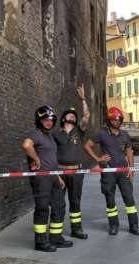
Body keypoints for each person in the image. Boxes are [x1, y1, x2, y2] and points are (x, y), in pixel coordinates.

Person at [84, 107, 139, 236]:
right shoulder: (102, 134)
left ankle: (134, 225)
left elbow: (129, 151)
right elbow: (87, 146)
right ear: (109, 120)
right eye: (114, 120)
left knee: (129, 199)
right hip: (108, 171)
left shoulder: (125, 135)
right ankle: (113, 225)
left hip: (123, 171)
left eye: (119, 119)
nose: (117, 122)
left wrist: (131, 169)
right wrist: (98, 158)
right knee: (110, 199)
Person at [22, 106, 73, 252]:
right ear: (39, 120)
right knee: (43, 208)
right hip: (41, 178)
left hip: (53, 177)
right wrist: (36, 159)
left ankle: (55, 238)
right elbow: (26, 145)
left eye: (51, 120)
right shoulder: (36, 134)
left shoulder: (49, 136)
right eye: (45, 120)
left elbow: (51, 159)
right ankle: (40, 242)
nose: (49, 122)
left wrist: (58, 176)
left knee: (59, 206)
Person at [52, 84, 90, 240]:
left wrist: (83, 99)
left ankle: (76, 229)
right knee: (58, 203)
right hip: (60, 172)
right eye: (70, 115)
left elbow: (86, 116)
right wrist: (56, 174)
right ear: (63, 119)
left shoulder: (79, 131)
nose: (73, 116)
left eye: (74, 116)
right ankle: (56, 233)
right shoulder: (56, 134)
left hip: (76, 172)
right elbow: (51, 154)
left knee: (75, 201)